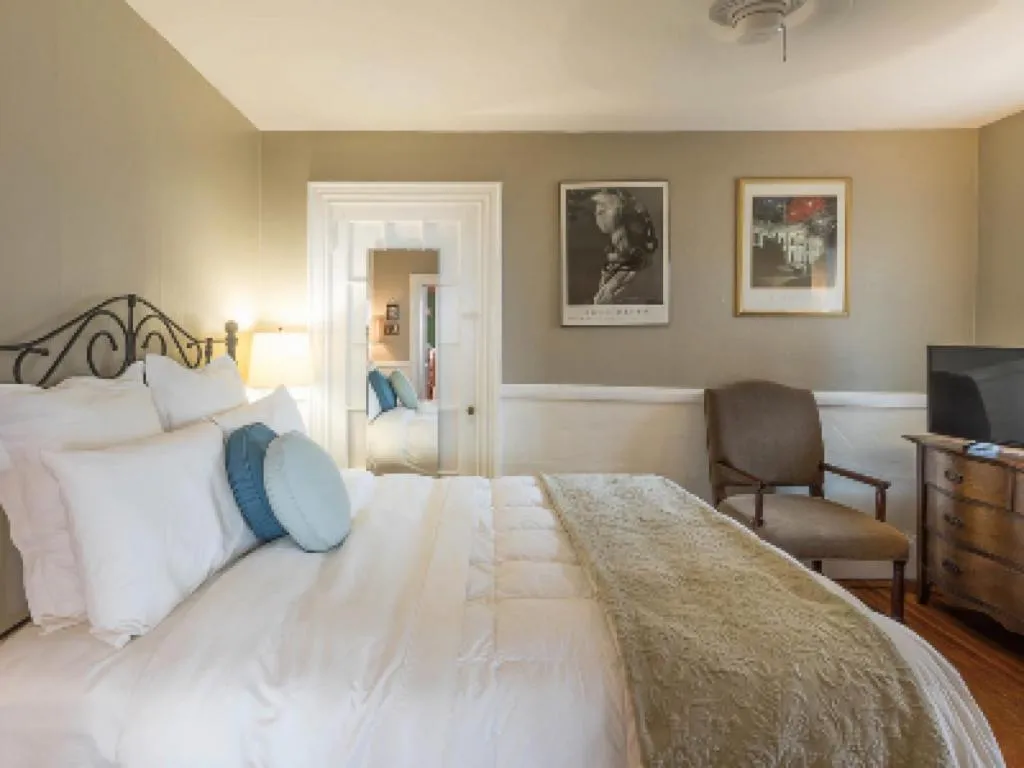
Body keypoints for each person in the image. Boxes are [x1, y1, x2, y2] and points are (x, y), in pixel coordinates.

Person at [590, 189, 659, 305]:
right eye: (598, 208)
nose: (598, 212)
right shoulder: (612, 267)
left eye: (603, 207)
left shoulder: (639, 276)